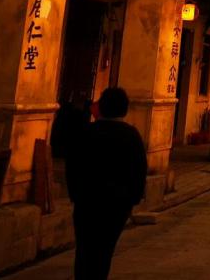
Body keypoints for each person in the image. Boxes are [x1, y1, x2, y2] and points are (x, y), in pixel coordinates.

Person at [66, 87, 148, 280]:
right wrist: (132, 199)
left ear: (102, 107)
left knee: (84, 250)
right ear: (124, 110)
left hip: (87, 202)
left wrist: (75, 195)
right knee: (104, 251)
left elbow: (72, 166)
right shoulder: (131, 135)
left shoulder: (86, 132)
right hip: (117, 206)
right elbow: (139, 170)